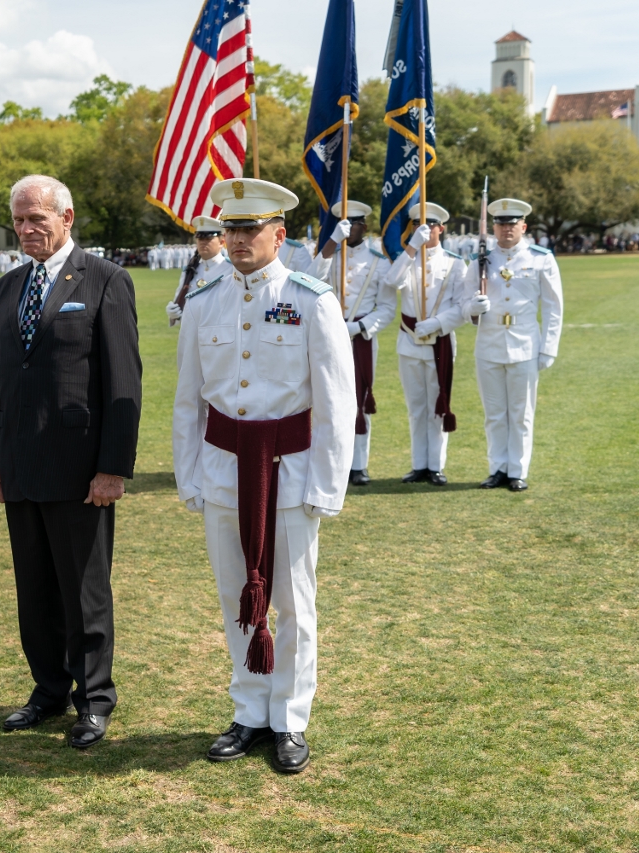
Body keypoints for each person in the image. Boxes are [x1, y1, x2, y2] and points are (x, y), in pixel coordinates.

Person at [172, 178, 356, 774]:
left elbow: (335, 401)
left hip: (291, 468)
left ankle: (290, 719)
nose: (239, 239)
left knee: (294, 602)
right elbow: (188, 401)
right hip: (226, 467)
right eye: (231, 228)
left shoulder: (311, 299)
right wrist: (189, 474)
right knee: (235, 596)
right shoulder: (203, 300)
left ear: (280, 234)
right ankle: (249, 710)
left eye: (251, 229)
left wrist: (330, 485)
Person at [0, 174, 142, 749]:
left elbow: (124, 379)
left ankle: (94, 698)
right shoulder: (7, 287)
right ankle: (47, 690)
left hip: (81, 470)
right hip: (20, 465)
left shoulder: (105, 281)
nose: (25, 230)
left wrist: (113, 467)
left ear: (66, 219)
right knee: (35, 589)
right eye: (18, 220)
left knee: (84, 590)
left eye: (36, 220)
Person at [462, 198, 563, 492]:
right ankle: (498, 468)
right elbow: (465, 302)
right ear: (493, 227)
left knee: (521, 413)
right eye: (501, 223)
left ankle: (517, 470)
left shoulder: (541, 258)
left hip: (525, 344)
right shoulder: (480, 260)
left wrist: (548, 348)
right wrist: (474, 307)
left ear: (524, 226)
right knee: (494, 413)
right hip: (489, 343)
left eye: (512, 224)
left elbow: (554, 308)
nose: (506, 229)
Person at [306, 200, 397, 485]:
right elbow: (309, 280)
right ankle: (330, 462)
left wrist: (359, 327)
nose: (348, 229)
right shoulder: (328, 255)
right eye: (342, 223)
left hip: (361, 337)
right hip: (328, 334)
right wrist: (332, 242)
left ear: (363, 226)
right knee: (324, 399)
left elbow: (387, 308)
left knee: (359, 400)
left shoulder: (379, 263)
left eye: (353, 224)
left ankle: (358, 465)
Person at [389, 202, 468, 486]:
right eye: (419, 226)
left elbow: (462, 307)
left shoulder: (455, 263)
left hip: (440, 342)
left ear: (441, 228)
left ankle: (436, 465)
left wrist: (438, 322)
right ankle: (418, 464)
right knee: (416, 407)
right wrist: (412, 248)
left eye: (432, 225)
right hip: (409, 342)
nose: (427, 230)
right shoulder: (407, 259)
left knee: (437, 406)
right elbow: (391, 281)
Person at [165, 215, 232, 326]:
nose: (203, 242)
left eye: (208, 238)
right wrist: (174, 313)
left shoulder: (231, 269)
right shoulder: (190, 270)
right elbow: (181, 299)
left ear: (221, 242)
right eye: (200, 238)